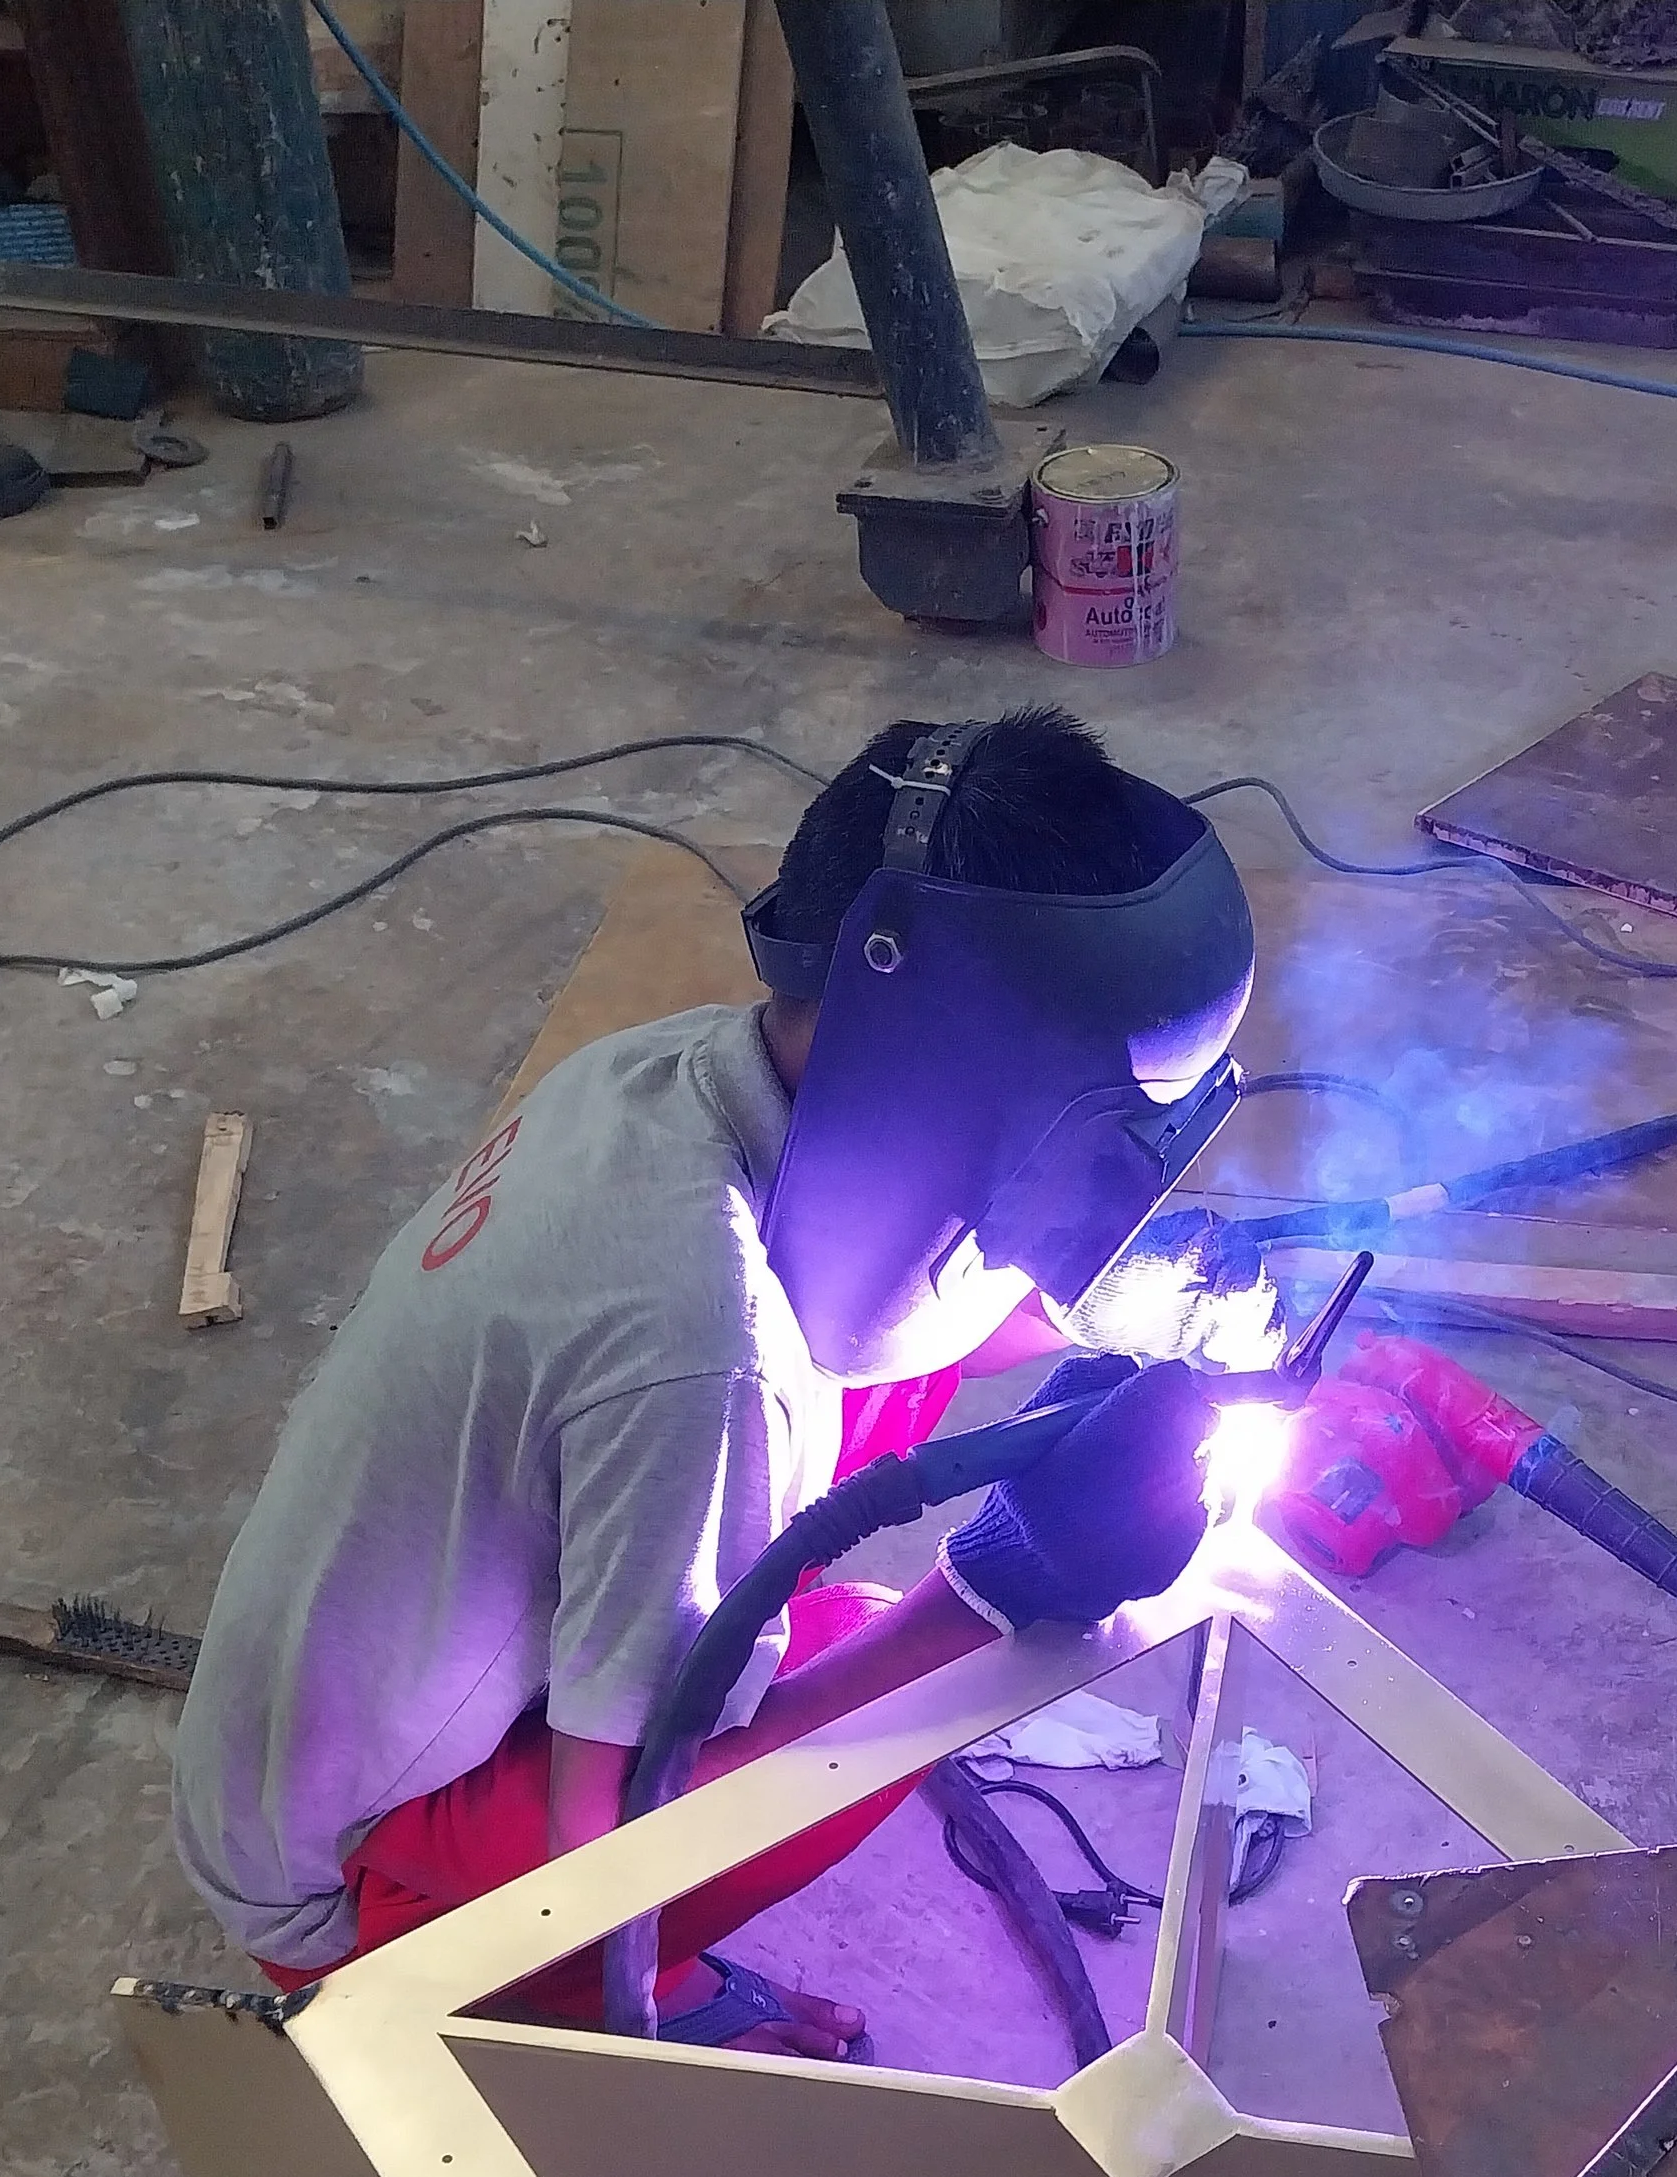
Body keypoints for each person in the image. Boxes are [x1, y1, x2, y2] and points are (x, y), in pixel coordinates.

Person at [172, 710, 1275, 2059]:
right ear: (951, 1069)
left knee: (833, 1575)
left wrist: (1145, 1304)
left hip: (334, 1721)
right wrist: (1000, 1587)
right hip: (350, 1888)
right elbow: (613, 1850)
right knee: (895, 1667)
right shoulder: (705, 1347)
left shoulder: (677, 1075)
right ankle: (551, 1998)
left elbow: (894, 1322)